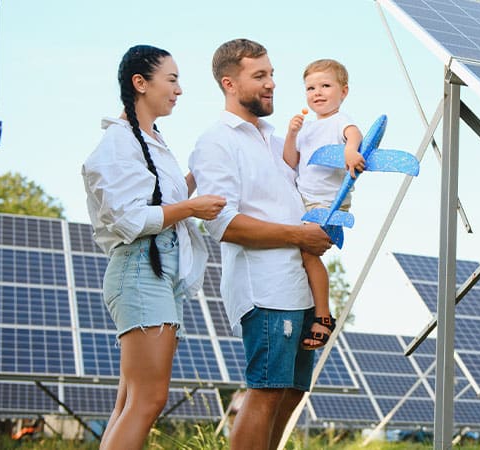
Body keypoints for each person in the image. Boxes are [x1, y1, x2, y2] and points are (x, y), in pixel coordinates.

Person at [188, 38, 334, 450]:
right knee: (267, 391)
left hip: (299, 289)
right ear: (229, 83)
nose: (271, 83)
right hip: (265, 290)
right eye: (260, 76)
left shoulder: (274, 141)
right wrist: (297, 235)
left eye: (271, 74)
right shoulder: (217, 141)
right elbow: (222, 223)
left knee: (290, 393)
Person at [82, 44, 226, 449]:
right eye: (173, 79)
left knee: (130, 401)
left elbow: (156, 197)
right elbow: (130, 218)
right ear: (140, 83)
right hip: (141, 271)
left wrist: (195, 180)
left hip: (158, 274)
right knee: (148, 400)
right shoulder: (118, 142)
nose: (179, 89)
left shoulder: (151, 141)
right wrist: (192, 206)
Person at [281, 58, 363, 351]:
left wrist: (351, 151)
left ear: (344, 91)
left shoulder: (340, 121)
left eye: (325, 86)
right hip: (303, 202)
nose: (317, 92)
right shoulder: (306, 129)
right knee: (298, 255)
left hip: (328, 204)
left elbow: (353, 135)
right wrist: (291, 134)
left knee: (307, 253)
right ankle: (309, 307)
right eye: (310, 88)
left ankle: (324, 316)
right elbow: (290, 161)